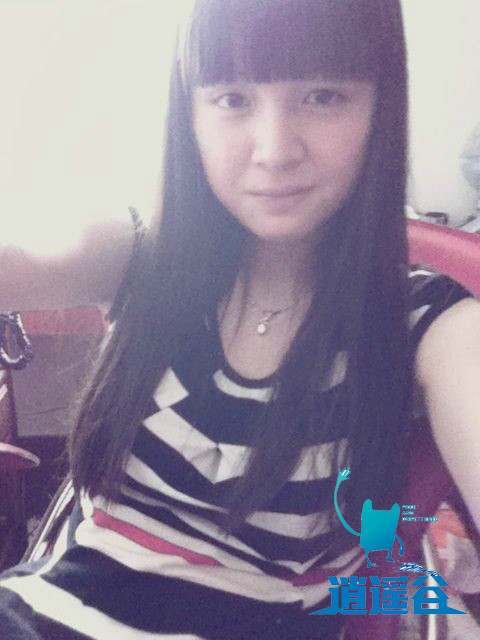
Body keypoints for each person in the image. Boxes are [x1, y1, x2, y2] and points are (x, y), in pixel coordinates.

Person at [0, 0, 479, 638]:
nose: (275, 150)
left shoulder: (428, 324)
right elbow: (31, 253)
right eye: (231, 98)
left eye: (323, 96)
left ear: (379, 108)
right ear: (189, 113)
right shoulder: (139, 256)